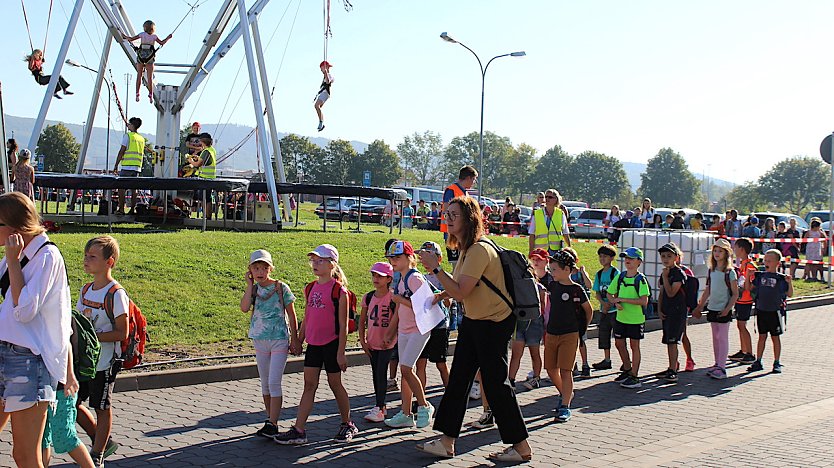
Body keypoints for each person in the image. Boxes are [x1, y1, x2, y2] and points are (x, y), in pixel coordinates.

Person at [416, 196, 532, 462]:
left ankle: (521, 446)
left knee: (496, 384)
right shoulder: (468, 249)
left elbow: (461, 291)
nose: (448, 218)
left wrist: (436, 268)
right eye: (447, 214)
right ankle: (446, 442)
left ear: (469, 218)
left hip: (492, 324)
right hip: (476, 322)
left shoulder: (479, 249)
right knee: (459, 381)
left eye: (454, 215)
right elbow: (461, 287)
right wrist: (441, 294)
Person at [0, 192, 72, 467]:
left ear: (15, 228)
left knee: (25, 455)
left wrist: (13, 261)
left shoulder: (46, 256)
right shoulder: (16, 255)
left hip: (28, 362)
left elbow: (25, 310)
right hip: (5, 354)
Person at [275, 244, 358, 444]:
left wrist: (341, 353)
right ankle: (299, 429)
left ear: (332, 264)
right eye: (314, 260)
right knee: (309, 385)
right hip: (314, 345)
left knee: (335, 384)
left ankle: (347, 423)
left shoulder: (340, 291)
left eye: (320, 261)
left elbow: (342, 325)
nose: (315, 264)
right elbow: (308, 316)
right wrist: (298, 339)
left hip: (331, 345)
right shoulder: (310, 287)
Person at [74, 236, 129, 466]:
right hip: (84, 363)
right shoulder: (85, 289)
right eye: (86, 255)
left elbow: (122, 333)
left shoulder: (115, 293)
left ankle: (97, 455)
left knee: (101, 406)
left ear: (110, 262)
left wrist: (93, 337)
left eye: (93, 257)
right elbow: (77, 323)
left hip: (105, 362)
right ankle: (102, 441)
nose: (86, 260)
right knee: (73, 403)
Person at [240, 249, 300, 439]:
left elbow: (291, 314)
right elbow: (244, 308)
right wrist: (249, 285)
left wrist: (295, 339)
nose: (260, 272)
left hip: (279, 339)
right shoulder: (255, 289)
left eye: (264, 268)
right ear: (250, 270)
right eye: (256, 268)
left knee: (274, 382)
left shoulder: (281, 287)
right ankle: (270, 420)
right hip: (260, 339)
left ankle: (273, 422)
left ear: (270, 269)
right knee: (265, 383)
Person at [383, 241, 436, 429]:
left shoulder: (415, 278)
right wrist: (391, 331)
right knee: (405, 372)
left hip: (418, 329)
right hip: (404, 330)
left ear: (409, 258)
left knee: (406, 369)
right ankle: (406, 413)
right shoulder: (401, 277)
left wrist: (400, 299)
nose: (393, 261)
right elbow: (398, 309)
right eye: (391, 258)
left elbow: (425, 304)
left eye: (397, 258)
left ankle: (424, 405)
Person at [544, 249, 592, 423]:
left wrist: (581, 329)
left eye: (555, 269)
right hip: (551, 333)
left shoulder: (576, 289)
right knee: (550, 368)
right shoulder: (552, 285)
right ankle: (565, 393)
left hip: (569, 334)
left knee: (566, 370)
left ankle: (565, 405)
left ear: (567, 270)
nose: (552, 272)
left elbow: (589, 310)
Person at [40, 345, 95, 468]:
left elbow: (66, 343)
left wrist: (70, 375)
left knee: (64, 436)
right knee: (42, 439)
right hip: (40, 387)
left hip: (62, 388)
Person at [693, 238, 738, 380]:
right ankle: (717, 363)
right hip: (713, 307)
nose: (717, 254)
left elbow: (735, 293)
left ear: (726, 254)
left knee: (723, 337)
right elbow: (708, 289)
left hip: (723, 308)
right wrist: (700, 305)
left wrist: (728, 309)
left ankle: (722, 367)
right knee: (715, 337)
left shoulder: (730, 272)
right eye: (715, 251)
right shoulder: (712, 270)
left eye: (720, 251)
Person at [358, 262, 397, 423]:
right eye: (374, 275)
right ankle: (380, 405)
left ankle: (380, 406)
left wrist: (390, 338)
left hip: (387, 343)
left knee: (381, 373)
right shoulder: (368, 296)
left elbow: (397, 319)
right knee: (376, 374)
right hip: (372, 342)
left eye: (380, 276)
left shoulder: (393, 297)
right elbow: (362, 320)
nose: (376, 278)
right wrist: (362, 339)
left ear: (388, 279)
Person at [607, 247, 650, 389]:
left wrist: (622, 300)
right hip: (621, 318)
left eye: (631, 258)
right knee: (619, 344)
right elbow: (609, 294)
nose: (627, 261)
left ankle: (635, 376)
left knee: (634, 346)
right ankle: (627, 368)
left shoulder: (641, 279)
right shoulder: (620, 277)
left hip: (636, 319)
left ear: (639, 262)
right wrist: (615, 302)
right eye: (626, 258)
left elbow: (644, 301)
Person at [746, 249, 793, 374]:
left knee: (775, 337)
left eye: (769, 261)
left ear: (777, 263)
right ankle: (758, 361)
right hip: (761, 310)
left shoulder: (781, 279)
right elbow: (748, 288)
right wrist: (747, 276)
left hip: (774, 311)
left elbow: (790, 294)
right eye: (765, 260)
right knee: (762, 337)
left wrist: (790, 282)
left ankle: (776, 362)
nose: (766, 263)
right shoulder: (760, 276)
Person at [417, 241, 451, 391]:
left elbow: (450, 300)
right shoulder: (420, 278)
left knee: (440, 363)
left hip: (439, 326)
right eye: (422, 256)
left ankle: (451, 393)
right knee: (420, 363)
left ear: (439, 259)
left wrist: (440, 296)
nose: (425, 260)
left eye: (429, 256)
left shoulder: (445, 277)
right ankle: (420, 399)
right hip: (423, 326)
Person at [513, 249, 549, 391]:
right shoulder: (519, 287)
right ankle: (511, 379)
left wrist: (545, 324)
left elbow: (543, 308)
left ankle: (536, 377)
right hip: (521, 321)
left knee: (535, 352)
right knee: (517, 353)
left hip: (535, 322)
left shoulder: (540, 287)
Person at [655, 242, 688, 382]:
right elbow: (662, 293)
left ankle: (673, 370)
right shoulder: (664, 273)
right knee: (668, 341)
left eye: (669, 256)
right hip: (667, 311)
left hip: (677, 312)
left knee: (673, 341)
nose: (666, 259)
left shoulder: (678, 273)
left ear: (676, 257)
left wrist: (665, 277)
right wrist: (659, 308)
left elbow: (671, 292)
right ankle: (671, 366)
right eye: (663, 256)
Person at [123, 20, 172, 103]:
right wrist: (168, 37)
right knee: (149, 78)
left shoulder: (142, 34)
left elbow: (131, 39)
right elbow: (162, 43)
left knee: (139, 75)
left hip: (141, 57)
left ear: (145, 28)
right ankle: (150, 95)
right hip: (150, 58)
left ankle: (137, 94)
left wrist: (124, 36)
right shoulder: (154, 37)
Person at [441, 166, 478, 266]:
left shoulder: (465, 193)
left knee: (462, 263)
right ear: (468, 178)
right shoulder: (451, 190)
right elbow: (446, 209)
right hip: (452, 232)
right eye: (474, 179)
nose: (474, 182)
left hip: (462, 232)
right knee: (456, 264)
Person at [729, 238, 758, 366]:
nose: (734, 250)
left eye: (735, 247)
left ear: (741, 249)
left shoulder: (750, 265)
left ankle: (750, 353)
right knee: (740, 325)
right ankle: (743, 350)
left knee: (742, 325)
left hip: (746, 300)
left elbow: (751, 285)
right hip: (740, 299)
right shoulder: (743, 264)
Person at [592, 245, 619, 371]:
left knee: (619, 337)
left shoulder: (615, 273)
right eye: (600, 256)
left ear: (612, 258)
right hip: (604, 310)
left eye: (605, 256)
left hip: (615, 310)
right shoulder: (599, 274)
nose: (602, 259)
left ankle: (625, 359)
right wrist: (603, 303)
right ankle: (607, 359)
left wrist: (611, 303)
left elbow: (618, 290)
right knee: (604, 335)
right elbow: (597, 292)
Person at [566, 247, 592, 378]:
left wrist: (583, 273)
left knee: (581, 340)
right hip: (569, 310)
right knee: (570, 340)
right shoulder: (565, 273)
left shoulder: (580, 272)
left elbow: (589, 285)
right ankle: (573, 365)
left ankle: (585, 365)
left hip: (580, 310)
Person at [113, 117, 146, 215]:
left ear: (132, 125)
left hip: (127, 166)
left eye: (129, 124)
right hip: (137, 166)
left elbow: (122, 151)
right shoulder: (141, 138)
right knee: (133, 189)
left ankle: (121, 209)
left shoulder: (128, 136)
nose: (127, 125)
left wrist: (116, 165)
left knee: (121, 188)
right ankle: (132, 209)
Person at [528, 188, 572, 257]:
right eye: (546, 197)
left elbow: (565, 233)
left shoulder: (561, 214)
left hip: (556, 250)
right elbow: (532, 234)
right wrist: (531, 251)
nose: (547, 199)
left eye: (550, 197)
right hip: (540, 250)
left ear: (556, 199)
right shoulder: (537, 213)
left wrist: (569, 247)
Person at [191, 133, 217, 220]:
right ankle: (207, 215)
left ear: (202, 141)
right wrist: (198, 157)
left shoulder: (205, 151)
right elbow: (205, 161)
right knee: (207, 198)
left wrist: (190, 160)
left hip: (205, 178)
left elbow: (198, 164)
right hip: (211, 178)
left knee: (204, 199)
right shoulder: (212, 150)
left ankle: (207, 215)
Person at [314, 61, 334, 131]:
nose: (328, 69)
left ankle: (321, 122)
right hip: (323, 93)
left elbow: (328, 82)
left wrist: (326, 73)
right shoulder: (325, 76)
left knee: (316, 106)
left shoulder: (329, 75)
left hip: (325, 93)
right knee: (318, 107)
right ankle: (321, 122)